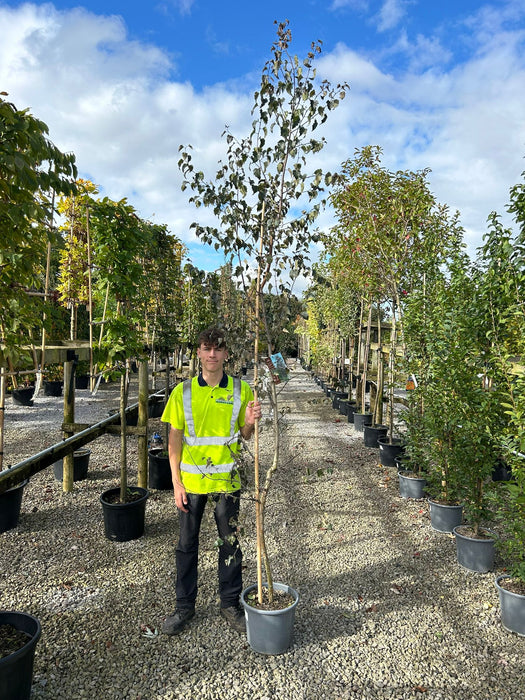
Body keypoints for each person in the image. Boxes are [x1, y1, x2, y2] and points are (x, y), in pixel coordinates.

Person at [160, 326, 261, 635]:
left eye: (218, 348)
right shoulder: (183, 392)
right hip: (192, 484)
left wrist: (249, 423)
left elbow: (245, 437)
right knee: (186, 546)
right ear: (200, 353)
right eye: (207, 348)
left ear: (226, 354)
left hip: (227, 483)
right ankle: (184, 607)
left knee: (229, 545)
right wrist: (176, 483)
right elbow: (174, 440)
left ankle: (230, 604)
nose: (212, 353)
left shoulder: (241, 391)